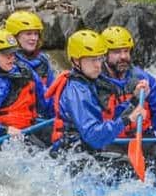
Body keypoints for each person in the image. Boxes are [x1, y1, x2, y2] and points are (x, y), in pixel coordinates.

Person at [46, 29, 148, 180]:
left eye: (99, 59)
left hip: (87, 151)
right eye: (91, 60)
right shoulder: (77, 92)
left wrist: (134, 100)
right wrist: (128, 119)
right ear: (75, 61)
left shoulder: (91, 82)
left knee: (125, 165)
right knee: (127, 169)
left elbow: (111, 116)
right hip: (71, 156)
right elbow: (93, 135)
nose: (97, 65)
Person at [99, 25, 156, 180]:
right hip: (111, 138)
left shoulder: (144, 78)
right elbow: (106, 118)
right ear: (104, 55)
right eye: (116, 52)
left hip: (142, 135)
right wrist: (133, 100)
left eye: (126, 51)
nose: (123, 57)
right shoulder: (96, 82)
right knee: (119, 164)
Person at [5, 10, 56, 89]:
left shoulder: (43, 60)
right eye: (28, 34)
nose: (34, 38)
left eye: (36, 34)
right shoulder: (6, 63)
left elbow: (52, 90)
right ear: (14, 37)